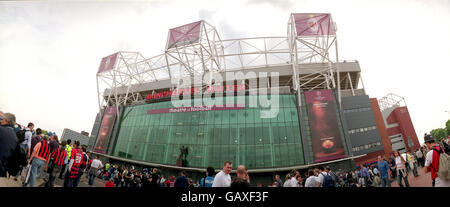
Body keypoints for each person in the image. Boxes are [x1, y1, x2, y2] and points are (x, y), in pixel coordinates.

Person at [0, 111, 18, 177]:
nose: (1, 121)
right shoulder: (15, 136)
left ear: (6, 121)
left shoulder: (1, 130)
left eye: (2, 119)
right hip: (2, 167)